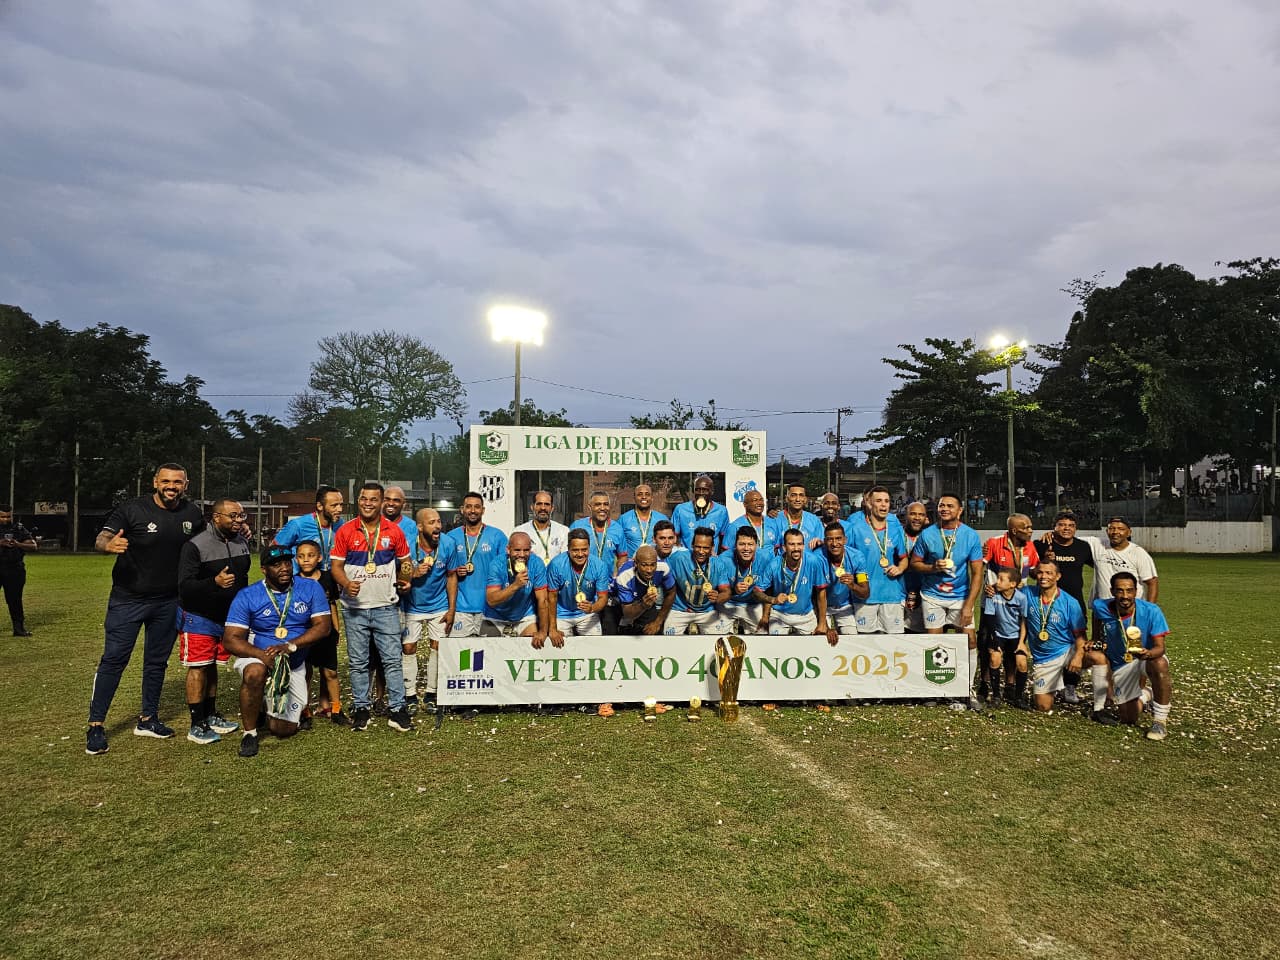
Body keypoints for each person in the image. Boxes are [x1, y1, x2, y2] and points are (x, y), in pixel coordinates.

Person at [86, 463, 204, 756]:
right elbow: (103, 537)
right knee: (114, 660)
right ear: (155, 482)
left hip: (168, 601)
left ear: (186, 484)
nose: (171, 486)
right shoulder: (132, 509)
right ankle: (96, 724)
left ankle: (148, 719)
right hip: (128, 599)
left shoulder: (192, 514)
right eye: (166, 481)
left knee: (156, 662)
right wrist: (107, 545)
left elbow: (205, 544)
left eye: (177, 481)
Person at [221, 544, 334, 758]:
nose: (283, 568)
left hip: (293, 660)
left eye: (286, 562)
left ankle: (265, 706)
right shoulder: (248, 595)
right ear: (263, 569)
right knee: (255, 673)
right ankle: (250, 733)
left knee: (282, 730)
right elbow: (230, 639)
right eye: (275, 564)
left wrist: (291, 646)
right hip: (259, 655)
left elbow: (323, 626)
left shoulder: (310, 588)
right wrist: (261, 655)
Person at [330, 482, 415, 734]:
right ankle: (361, 709)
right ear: (359, 501)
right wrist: (346, 583)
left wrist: (406, 580)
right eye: (363, 499)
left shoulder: (394, 531)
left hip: (385, 606)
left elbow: (405, 563)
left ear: (381, 502)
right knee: (358, 662)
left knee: (392, 660)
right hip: (354, 608)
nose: (368, 503)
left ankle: (398, 710)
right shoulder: (345, 531)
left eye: (373, 499)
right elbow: (335, 566)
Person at [176, 497, 251, 744]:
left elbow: (244, 577)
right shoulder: (195, 546)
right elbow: (184, 587)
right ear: (216, 517)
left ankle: (211, 714)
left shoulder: (241, 541)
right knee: (198, 667)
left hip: (229, 617)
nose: (239, 521)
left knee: (212, 666)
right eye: (233, 516)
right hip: (199, 616)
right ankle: (196, 723)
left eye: (241, 516)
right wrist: (213, 583)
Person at [909, 493, 984, 710]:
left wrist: (969, 605)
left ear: (960, 510)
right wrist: (933, 568)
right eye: (942, 505)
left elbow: (977, 573)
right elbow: (915, 564)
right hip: (932, 596)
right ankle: (935, 689)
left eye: (950, 506)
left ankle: (967, 688)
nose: (944, 509)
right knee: (935, 644)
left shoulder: (970, 535)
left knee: (969, 641)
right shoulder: (928, 534)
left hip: (960, 598)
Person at [1090, 571, 1174, 740]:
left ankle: (1159, 722)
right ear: (1112, 591)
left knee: (1160, 664)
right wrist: (1096, 637)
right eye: (1120, 590)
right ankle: (1146, 694)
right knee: (1128, 718)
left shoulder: (1152, 611)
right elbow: (1096, 615)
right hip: (1121, 665)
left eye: (1129, 590)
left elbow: (1160, 648)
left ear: (1136, 591)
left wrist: (1148, 653)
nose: (1125, 595)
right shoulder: (1101, 606)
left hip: (1144, 659)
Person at [979, 514, 1039, 698]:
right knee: (987, 643)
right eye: (1027, 528)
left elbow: (1035, 571)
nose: (1031, 531)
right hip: (993, 602)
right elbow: (979, 566)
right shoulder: (994, 543)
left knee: (1014, 643)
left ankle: (1011, 684)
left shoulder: (1030, 546)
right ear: (1014, 530)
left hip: (1017, 602)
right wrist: (986, 586)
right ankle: (985, 682)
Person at [442, 491, 509, 642]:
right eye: (469, 507)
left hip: (489, 607)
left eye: (477, 507)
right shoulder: (451, 537)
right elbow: (445, 571)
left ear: (483, 510)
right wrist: (455, 571)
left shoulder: (497, 536)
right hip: (460, 608)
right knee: (460, 656)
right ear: (462, 509)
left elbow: (505, 570)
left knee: (489, 656)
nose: (473, 511)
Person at [1022, 560, 1087, 713]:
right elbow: (1007, 588)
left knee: (1097, 657)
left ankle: (1102, 704)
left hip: (1066, 651)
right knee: (1043, 707)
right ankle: (1059, 681)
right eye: (1040, 572)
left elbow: (1081, 636)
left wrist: (1078, 657)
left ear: (1058, 576)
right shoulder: (1027, 593)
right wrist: (992, 589)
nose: (1043, 576)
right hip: (1044, 659)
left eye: (1049, 573)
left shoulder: (1070, 602)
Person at [400, 507, 449, 712]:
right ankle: (410, 695)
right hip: (412, 606)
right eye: (432, 522)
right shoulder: (406, 546)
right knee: (408, 648)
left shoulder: (448, 544)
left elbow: (452, 576)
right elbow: (400, 580)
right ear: (419, 526)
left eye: (438, 521)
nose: (437, 525)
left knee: (437, 648)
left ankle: (431, 693)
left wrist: (452, 608)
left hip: (439, 606)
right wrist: (413, 574)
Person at [294, 539, 346, 723]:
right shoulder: (294, 581)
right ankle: (304, 710)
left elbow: (332, 605)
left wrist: (336, 630)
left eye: (310, 555)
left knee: (330, 672)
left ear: (319, 557)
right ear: (296, 559)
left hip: (325, 634)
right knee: (305, 673)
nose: (306, 560)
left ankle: (337, 709)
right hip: (303, 636)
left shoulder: (327, 578)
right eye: (301, 556)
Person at [845, 487, 909, 634]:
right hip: (865, 596)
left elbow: (904, 558)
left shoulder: (895, 529)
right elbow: (847, 559)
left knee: (894, 643)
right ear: (869, 503)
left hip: (892, 595)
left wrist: (899, 568)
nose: (884, 505)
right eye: (879, 501)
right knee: (866, 644)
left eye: (886, 501)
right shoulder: (856, 529)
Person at [571, 491, 628, 633]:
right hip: (582, 587)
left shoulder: (617, 529)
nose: (602, 508)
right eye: (598, 504)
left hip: (606, 589)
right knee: (581, 633)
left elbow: (622, 556)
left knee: (609, 631)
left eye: (605, 504)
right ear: (589, 506)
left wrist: (617, 575)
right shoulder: (577, 526)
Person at [483, 532, 549, 645]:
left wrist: (543, 632)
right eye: (517, 550)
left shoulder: (537, 564)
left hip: (524, 616)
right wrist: (515, 585)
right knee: (489, 654)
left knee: (533, 647)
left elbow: (542, 600)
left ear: (530, 550)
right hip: (495, 617)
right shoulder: (496, 565)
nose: (522, 555)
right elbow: (491, 600)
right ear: (508, 550)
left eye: (526, 550)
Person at [762, 529, 830, 637]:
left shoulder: (813, 561)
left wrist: (822, 623)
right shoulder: (774, 564)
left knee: (813, 651)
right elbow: (764, 591)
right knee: (775, 651)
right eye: (792, 544)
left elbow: (821, 593)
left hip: (806, 615)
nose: (796, 548)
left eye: (799, 544)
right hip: (779, 615)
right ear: (784, 547)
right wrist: (766, 615)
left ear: (804, 546)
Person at [546, 529, 612, 639]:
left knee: (595, 645)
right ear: (568, 549)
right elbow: (551, 597)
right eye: (575, 550)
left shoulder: (599, 566)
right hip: (561, 612)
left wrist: (592, 608)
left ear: (589, 548)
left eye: (584, 550)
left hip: (587, 613)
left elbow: (603, 598)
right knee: (559, 646)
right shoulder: (556, 565)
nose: (580, 554)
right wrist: (552, 627)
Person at [664, 527, 730, 634]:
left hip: (707, 611)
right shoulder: (678, 558)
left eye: (706, 548)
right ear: (692, 545)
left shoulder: (718, 564)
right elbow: (661, 570)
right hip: (680, 609)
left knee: (716, 643)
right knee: (668, 642)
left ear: (712, 548)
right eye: (698, 547)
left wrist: (718, 597)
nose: (701, 551)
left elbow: (726, 592)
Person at [983, 568, 1031, 707]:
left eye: (1001, 579)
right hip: (998, 634)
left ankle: (1018, 697)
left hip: (1015, 636)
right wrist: (994, 638)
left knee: (1021, 662)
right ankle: (996, 696)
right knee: (994, 658)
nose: (996, 582)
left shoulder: (1021, 598)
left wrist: (1022, 642)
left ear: (1012, 584)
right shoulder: (993, 595)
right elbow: (989, 618)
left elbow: (1024, 620)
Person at [815, 522, 869, 641]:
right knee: (821, 640)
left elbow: (865, 592)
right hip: (821, 606)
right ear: (824, 541)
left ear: (845, 539)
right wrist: (825, 625)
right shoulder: (817, 558)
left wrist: (853, 585)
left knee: (852, 640)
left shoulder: (857, 557)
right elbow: (818, 594)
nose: (834, 543)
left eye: (838, 538)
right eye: (830, 539)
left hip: (845, 606)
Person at [717, 526, 774, 635]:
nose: (746, 548)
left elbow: (769, 590)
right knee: (718, 636)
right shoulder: (723, 560)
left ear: (756, 545)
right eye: (742, 544)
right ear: (735, 545)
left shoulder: (766, 558)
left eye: (750, 544)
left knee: (762, 635)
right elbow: (719, 592)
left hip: (754, 604)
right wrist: (734, 590)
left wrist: (766, 617)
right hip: (729, 603)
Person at [273, 485, 344, 570]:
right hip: (301, 580)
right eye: (334, 505)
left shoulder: (341, 525)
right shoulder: (298, 525)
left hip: (329, 579)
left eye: (341, 505)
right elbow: (273, 550)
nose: (340, 509)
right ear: (320, 506)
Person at [614, 544, 676, 634]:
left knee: (652, 631)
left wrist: (658, 622)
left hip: (643, 599)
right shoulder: (624, 576)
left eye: (652, 565)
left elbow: (672, 592)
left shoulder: (663, 568)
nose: (649, 570)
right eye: (644, 565)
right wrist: (643, 605)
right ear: (636, 564)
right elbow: (627, 613)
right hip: (617, 603)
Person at [1038, 511, 1091, 608]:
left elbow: (1098, 565)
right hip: (1047, 601)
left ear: (1075, 528)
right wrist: (1045, 562)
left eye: (1071, 525)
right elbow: (1031, 572)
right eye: (1062, 525)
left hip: (1075, 601)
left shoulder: (1083, 547)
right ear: (1054, 527)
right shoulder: (1042, 544)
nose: (1067, 528)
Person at [0, 503, 36, 636]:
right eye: (2, 517)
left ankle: (19, 628)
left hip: (14, 569)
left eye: (8, 516)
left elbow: (33, 546)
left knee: (15, 599)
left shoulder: (18, 528)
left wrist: (18, 544)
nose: (5, 519)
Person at [671, 474, 730, 549]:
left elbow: (724, 538)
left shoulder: (721, 511)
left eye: (705, 490)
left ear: (712, 492)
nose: (701, 493)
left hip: (710, 558)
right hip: (687, 558)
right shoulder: (681, 509)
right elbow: (673, 536)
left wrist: (718, 558)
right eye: (698, 490)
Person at [513, 490, 569, 565]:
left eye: (547, 504)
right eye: (539, 504)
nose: (543, 508)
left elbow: (565, 561)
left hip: (555, 576)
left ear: (552, 508)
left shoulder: (564, 531)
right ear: (532, 507)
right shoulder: (520, 531)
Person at [719, 489, 777, 556]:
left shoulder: (773, 523)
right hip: (745, 566)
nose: (759, 503)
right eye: (755, 500)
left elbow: (775, 549)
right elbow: (726, 552)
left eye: (761, 500)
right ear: (745, 504)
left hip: (769, 566)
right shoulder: (735, 526)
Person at [616, 483, 669, 557]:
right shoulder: (623, 519)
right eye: (640, 494)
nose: (644, 497)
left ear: (652, 498)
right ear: (634, 497)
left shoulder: (662, 518)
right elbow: (617, 543)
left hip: (656, 562)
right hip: (632, 564)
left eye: (647, 494)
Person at [769, 482, 824, 552]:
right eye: (793, 495)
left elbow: (822, 544)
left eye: (801, 495)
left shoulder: (814, 521)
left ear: (805, 499)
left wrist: (820, 542)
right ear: (786, 498)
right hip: (784, 562)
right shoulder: (775, 519)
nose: (797, 499)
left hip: (807, 562)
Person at [901, 501, 929, 632]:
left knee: (918, 635)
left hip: (922, 592)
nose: (917, 518)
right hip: (898, 592)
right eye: (913, 514)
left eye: (921, 515)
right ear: (906, 516)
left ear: (926, 518)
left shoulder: (930, 537)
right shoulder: (896, 535)